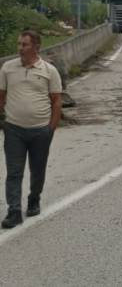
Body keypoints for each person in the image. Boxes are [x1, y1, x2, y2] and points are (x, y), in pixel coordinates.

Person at [0, 30, 62, 228]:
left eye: (24, 45)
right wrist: (4, 121)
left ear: (36, 47)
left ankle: (34, 198)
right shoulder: (7, 68)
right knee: (14, 173)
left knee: (37, 171)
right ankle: (14, 211)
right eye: (19, 44)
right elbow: (1, 96)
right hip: (14, 130)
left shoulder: (49, 71)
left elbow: (57, 101)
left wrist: (50, 129)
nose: (20, 48)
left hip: (40, 131)